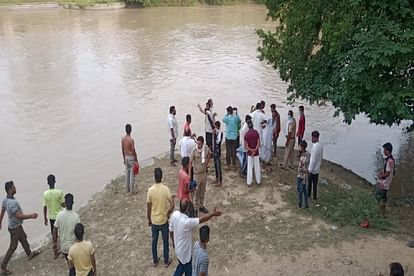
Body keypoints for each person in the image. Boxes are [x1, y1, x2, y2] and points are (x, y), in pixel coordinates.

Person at [169, 199, 222, 276]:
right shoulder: (187, 222)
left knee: (183, 266)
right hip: (185, 254)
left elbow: (170, 229)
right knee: (184, 268)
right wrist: (212, 214)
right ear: (187, 209)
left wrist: (173, 241)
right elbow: (201, 219)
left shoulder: (175, 214)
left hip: (178, 249)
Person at [1, 181, 39, 275]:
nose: (15, 188)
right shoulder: (12, 203)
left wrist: (0, 221)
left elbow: (2, 210)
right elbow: (19, 216)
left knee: (23, 238)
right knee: (13, 247)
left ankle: (29, 254)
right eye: (14, 187)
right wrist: (31, 216)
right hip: (14, 228)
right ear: (10, 189)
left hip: (15, 225)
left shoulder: (6, 200)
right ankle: (3, 266)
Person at [147, 168, 174, 268]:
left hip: (154, 221)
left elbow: (148, 207)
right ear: (161, 177)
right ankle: (166, 261)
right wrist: (168, 213)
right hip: (163, 220)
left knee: (154, 241)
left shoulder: (150, 190)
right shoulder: (165, 189)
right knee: (165, 241)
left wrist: (149, 219)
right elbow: (172, 204)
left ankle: (155, 260)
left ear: (154, 177)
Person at [53, 193, 80, 275]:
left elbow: (55, 229)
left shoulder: (59, 215)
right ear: (73, 203)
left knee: (70, 266)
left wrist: (54, 243)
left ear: (65, 203)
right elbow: (79, 233)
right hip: (73, 247)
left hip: (64, 247)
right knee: (75, 268)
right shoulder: (76, 217)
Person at [190, 136, 211, 214]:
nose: (198, 145)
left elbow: (209, 153)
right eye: (197, 143)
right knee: (196, 192)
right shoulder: (194, 150)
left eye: (199, 144)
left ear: (202, 143)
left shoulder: (205, 148)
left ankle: (201, 206)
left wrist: (206, 163)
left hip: (204, 173)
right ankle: (195, 208)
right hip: (197, 175)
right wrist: (189, 175)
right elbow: (190, 162)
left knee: (202, 191)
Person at [376, 142, 395, 218]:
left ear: (387, 150)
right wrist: (382, 172)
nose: (383, 151)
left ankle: (380, 213)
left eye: (384, 150)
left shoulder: (389, 161)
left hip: (385, 183)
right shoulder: (392, 159)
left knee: (378, 197)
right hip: (388, 182)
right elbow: (390, 171)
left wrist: (381, 176)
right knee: (384, 197)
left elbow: (387, 173)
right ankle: (383, 213)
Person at [121, 124, 139, 194]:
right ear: (131, 130)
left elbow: (122, 149)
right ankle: (132, 190)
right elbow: (133, 151)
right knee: (132, 174)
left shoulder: (123, 139)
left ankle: (127, 189)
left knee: (127, 173)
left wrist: (124, 158)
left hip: (126, 156)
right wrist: (136, 160)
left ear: (125, 130)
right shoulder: (131, 140)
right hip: (131, 157)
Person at [308, 130, 323, 203]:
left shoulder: (315, 147)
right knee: (315, 184)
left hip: (313, 169)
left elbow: (313, 160)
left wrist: (310, 169)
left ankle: (308, 195)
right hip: (317, 169)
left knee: (310, 183)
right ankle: (314, 196)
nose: (311, 139)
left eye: (312, 137)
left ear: (314, 138)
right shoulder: (320, 146)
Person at [244, 121, 261, 186]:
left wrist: (251, 150)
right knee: (257, 167)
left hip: (250, 153)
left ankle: (249, 182)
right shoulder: (256, 132)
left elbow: (245, 146)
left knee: (250, 167)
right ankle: (258, 181)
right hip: (256, 153)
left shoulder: (246, 134)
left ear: (248, 126)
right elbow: (258, 143)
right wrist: (255, 150)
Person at [297, 140, 310, 208]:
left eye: (299, 146)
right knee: (304, 190)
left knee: (300, 190)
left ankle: (300, 204)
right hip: (303, 175)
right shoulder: (306, 154)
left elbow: (301, 166)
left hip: (301, 175)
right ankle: (306, 203)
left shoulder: (303, 156)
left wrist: (301, 169)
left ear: (302, 147)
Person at [213, 121, 223, 187]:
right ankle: (217, 178)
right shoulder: (216, 131)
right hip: (214, 150)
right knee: (215, 165)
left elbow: (218, 142)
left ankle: (220, 181)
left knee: (218, 166)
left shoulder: (219, 133)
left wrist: (215, 135)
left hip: (217, 151)